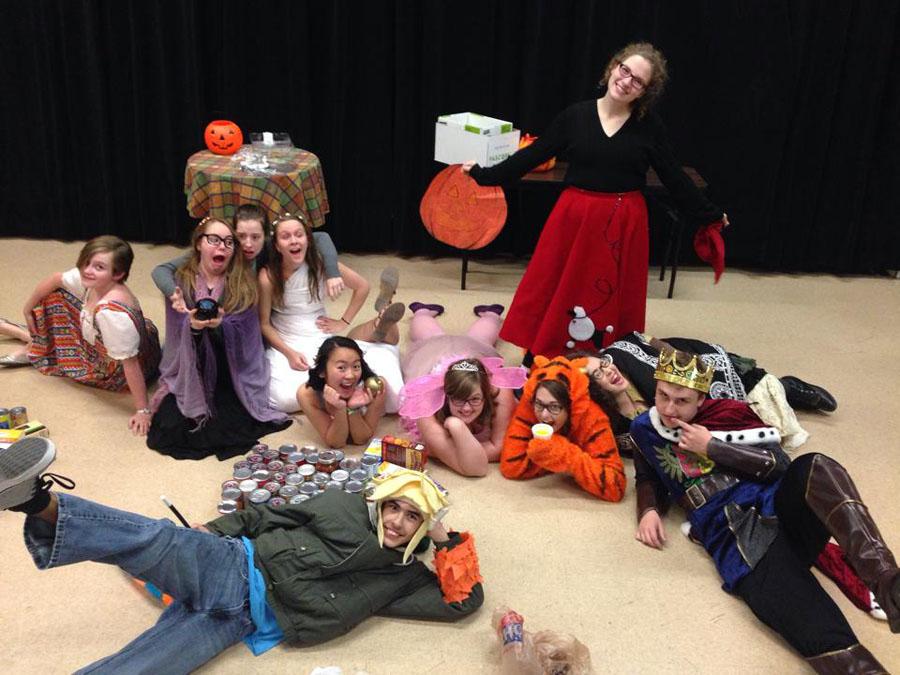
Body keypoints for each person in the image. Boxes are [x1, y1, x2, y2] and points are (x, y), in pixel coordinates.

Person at [0, 436, 484, 673]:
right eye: (393, 508)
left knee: (147, 667)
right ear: (378, 503)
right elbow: (262, 516)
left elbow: (463, 603)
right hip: (235, 566)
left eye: (412, 517)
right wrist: (211, 532)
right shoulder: (341, 506)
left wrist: (447, 542)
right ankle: (37, 501)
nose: (398, 522)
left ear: (424, 527)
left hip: (246, 620)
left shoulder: (406, 576)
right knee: (159, 540)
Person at [629, 347, 900, 672]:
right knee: (825, 635)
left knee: (817, 466)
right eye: (663, 395)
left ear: (701, 398)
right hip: (740, 541)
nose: (670, 408)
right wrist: (648, 510)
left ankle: (888, 582)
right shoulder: (644, 429)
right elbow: (647, 475)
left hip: (779, 509)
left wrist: (713, 446)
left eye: (682, 400)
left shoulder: (729, 414)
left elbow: (778, 465)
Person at [462, 42, 728, 362]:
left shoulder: (649, 128)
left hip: (623, 220)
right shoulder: (575, 116)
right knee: (556, 285)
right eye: (624, 70)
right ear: (612, 68)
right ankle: (545, 347)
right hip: (574, 216)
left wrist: (709, 214)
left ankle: (606, 355)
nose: (627, 81)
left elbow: (674, 176)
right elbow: (533, 155)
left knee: (608, 293)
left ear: (645, 91)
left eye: (638, 80)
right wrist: (484, 175)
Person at [146, 217, 290, 460]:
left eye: (228, 242)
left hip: (228, 369)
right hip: (190, 367)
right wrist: (191, 326)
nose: (221, 246)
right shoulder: (181, 280)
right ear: (200, 244)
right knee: (170, 428)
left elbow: (247, 331)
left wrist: (221, 326)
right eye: (214, 240)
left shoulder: (243, 283)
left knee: (232, 423)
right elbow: (175, 323)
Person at [572, 331, 837, 451]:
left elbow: (654, 344)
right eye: (598, 375)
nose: (609, 370)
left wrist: (684, 366)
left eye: (604, 364)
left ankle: (787, 387)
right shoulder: (610, 423)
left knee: (758, 411)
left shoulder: (623, 355)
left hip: (692, 377)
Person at [0, 236, 161, 435]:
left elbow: (130, 363)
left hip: (115, 369)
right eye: (86, 262)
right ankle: (27, 338)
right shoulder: (94, 282)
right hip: (121, 338)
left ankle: (29, 343)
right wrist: (27, 309)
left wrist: (143, 410)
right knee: (53, 297)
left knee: (59, 335)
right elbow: (56, 278)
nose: (87, 270)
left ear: (118, 274)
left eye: (99, 267)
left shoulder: (112, 314)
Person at [259, 212, 405, 414]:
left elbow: (362, 286)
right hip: (287, 341)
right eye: (286, 236)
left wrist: (342, 321)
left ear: (308, 239)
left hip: (320, 336)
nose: (294, 241)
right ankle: (373, 327)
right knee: (282, 399)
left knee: (390, 395)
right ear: (276, 245)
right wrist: (289, 353)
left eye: (299, 234)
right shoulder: (267, 276)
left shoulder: (320, 264)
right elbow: (264, 324)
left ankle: (378, 320)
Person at [398, 302, 526, 476]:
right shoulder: (426, 406)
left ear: (486, 393)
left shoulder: (500, 391)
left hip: (472, 361)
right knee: (429, 340)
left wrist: (455, 450)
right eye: (458, 399)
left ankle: (491, 315)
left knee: (480, 342)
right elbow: (476, 468)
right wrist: (456, 426)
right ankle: (422, 312)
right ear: (445, 396)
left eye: (474, 399)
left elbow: (499, 448)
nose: (466, 408)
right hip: (431, 357)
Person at [151, 203, 346, 306]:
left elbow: (321, 237)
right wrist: (174, 293)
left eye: (255, 237)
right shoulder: (223, 249)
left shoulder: (271, 246)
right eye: (241, 236)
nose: (248, 244)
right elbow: (161, 270)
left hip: (256, 314)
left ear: (267, 237)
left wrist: (332, 273)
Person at [500, 355, 626, 502]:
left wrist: (568, 457)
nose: (544, 415)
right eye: (539, 405)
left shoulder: (592, 417)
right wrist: (547, 455)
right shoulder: (530, 402)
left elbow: (616, 487)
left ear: (571, 406)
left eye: (554, 407)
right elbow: (511, 466)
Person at [297, 337, 389, 447]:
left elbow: (361, 439)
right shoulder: (307, 395)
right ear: (322, 371)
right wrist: (340, 409)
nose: (350, 376)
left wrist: (353, 409)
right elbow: (336, 443)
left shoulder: (375, 386)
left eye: (356, 366)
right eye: (341, 367)